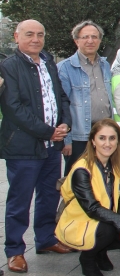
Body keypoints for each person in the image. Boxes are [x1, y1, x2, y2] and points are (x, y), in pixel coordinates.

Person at [0, 20, 73, 273]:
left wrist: (65, 124)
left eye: (40, 34)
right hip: (24, 147)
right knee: (19, 200)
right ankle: (15, 251)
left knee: (49, 195)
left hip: (51, 147)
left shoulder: (48, 62)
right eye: (29, 34)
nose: (35, 39)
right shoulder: (9, 66)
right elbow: (13, 108)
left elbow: (60, 97)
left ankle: (46, 239)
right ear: (17, 36)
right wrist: (48, 131)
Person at [56, 119, 120, 276]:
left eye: (112, 138)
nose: (107, 143)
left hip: (101, 218)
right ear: (93, 141)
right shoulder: (82, 169)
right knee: (108, 230)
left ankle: (100, 251)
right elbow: (92, 208)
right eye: (102, 138)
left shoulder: (119, 166)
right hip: (79, 221)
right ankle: (87, 258)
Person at [58, 21, 114, 175]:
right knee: (77, 179)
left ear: (100, 41)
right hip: (79, 135)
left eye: (94, 37)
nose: (90, 41)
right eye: (85, 37)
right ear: (76, 41)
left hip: (104, 132)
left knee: (103, 177)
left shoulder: (105, 65)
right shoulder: (65, 68)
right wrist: (66, 140)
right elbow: (62, 105)